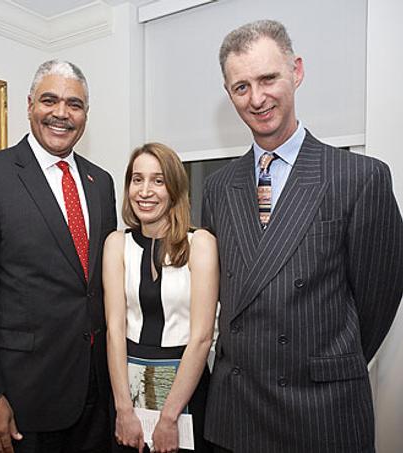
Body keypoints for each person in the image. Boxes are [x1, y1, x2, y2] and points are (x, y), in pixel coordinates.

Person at [201, 19, 403, 453]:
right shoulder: (219, 187)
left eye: (268, 78)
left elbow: (379, 297)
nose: (257, 99)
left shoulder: (359, 177)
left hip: (322, 411)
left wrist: (327, 362)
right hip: (236, 412)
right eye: (241, 87)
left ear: (297, 71)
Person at [0, 59, 117, 453]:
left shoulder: (100, 181)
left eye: (74, 104)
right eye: (49, 100)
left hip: (96, 389)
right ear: (29, 105)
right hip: (23, 395)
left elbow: (96, 285)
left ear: (86, 114)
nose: (61, 113)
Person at [104, 143, 218, 453]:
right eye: (137, 179)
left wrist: (169, 418)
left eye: (158, 180)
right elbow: (115, 331)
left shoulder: (201, 243)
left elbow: (202, 337)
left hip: (187, 393)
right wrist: (123, 410)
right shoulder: (116, 244)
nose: (145, 190)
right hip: (128, 394)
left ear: (174, 187)